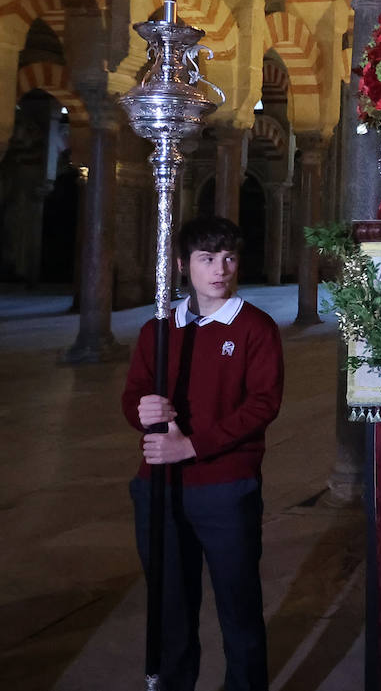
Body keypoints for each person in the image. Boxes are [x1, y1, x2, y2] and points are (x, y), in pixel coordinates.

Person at [122, 216, 284, 691]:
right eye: (207, 259)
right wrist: (142, 408)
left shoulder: (255, 327)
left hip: (225, 488)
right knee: (170, 609)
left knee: (239, 608)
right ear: (181, 265)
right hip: (159, 489)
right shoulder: (159, 327)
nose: (220, 269)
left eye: (229, 258)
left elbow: (262, 404)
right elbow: (134, 392)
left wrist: (191, 445)